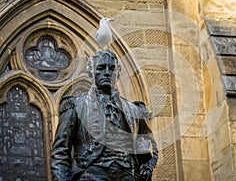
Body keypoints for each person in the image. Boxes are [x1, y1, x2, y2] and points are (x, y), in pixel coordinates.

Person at [51, 50, 158, 181]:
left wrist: (148, 166)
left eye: (112, 68)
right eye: (101, 68)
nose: (107, 72)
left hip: (129, 175)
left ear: (118, 74)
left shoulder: (135, 110)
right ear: (91, 72)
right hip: (91, 175)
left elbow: (151, 145)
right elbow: (60, 152)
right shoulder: (75, 106)